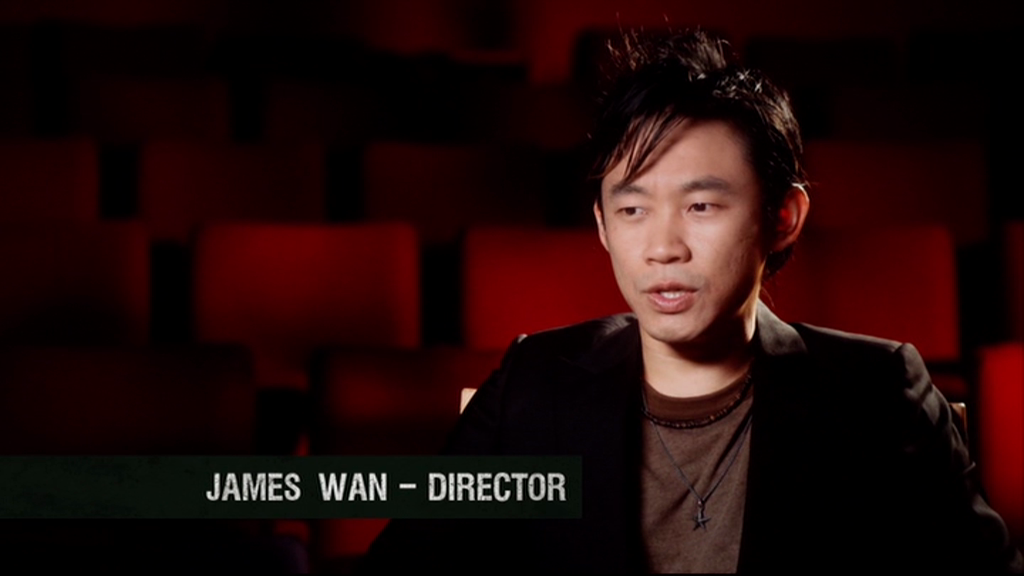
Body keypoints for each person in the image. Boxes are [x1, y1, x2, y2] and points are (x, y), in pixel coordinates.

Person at [358, 29, 1023, 573]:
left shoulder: (877, 394)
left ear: (782, 218)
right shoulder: (536, 384)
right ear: (602, 226)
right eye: (633, 209)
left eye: (701, 206)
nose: (662, 247)